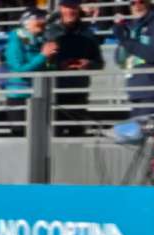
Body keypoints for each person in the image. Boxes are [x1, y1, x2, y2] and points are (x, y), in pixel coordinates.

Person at [112, 0, 154, 119]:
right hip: (136, 90)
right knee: (136, 135)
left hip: (153, 90)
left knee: (149, 134)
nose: (137, 6)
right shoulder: (133, 27)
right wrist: (122, 39)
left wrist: (126, 41)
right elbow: (120, 60)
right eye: (133, 3)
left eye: (141, 2)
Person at [49, 0, 103, 136]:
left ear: (78, 8)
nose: (70, 11)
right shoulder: (49, 31)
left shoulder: (88, 33)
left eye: (73, 7)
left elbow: (99, 62)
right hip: (54, 94)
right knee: (53, 138)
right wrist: (58, 66)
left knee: (77, 138)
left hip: (79, 94)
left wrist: (89, 64)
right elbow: (39, 61)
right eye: (67, 7)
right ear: (61, 8)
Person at [0, 7, 52, 134]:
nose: (43, 22)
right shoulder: (15, 41)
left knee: (39, 136)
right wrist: (43, 56)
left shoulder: (36, 41)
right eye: (39, 18)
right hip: (19, 96)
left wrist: (53, 63)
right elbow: (20, 69)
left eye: (43, 19)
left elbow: (40, 66)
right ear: (27, 22)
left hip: (37, 95)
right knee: (20, 136)